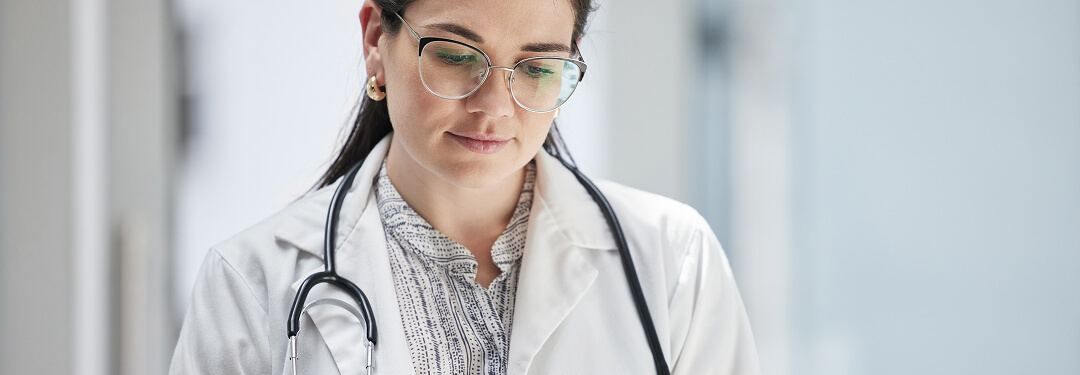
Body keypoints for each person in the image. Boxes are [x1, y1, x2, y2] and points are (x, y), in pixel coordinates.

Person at [169, 0, 760, 373]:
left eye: (536, 68)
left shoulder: (674, 262)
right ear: (377, 39)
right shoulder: (251, 283)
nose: (494, 108)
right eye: (455, 56)